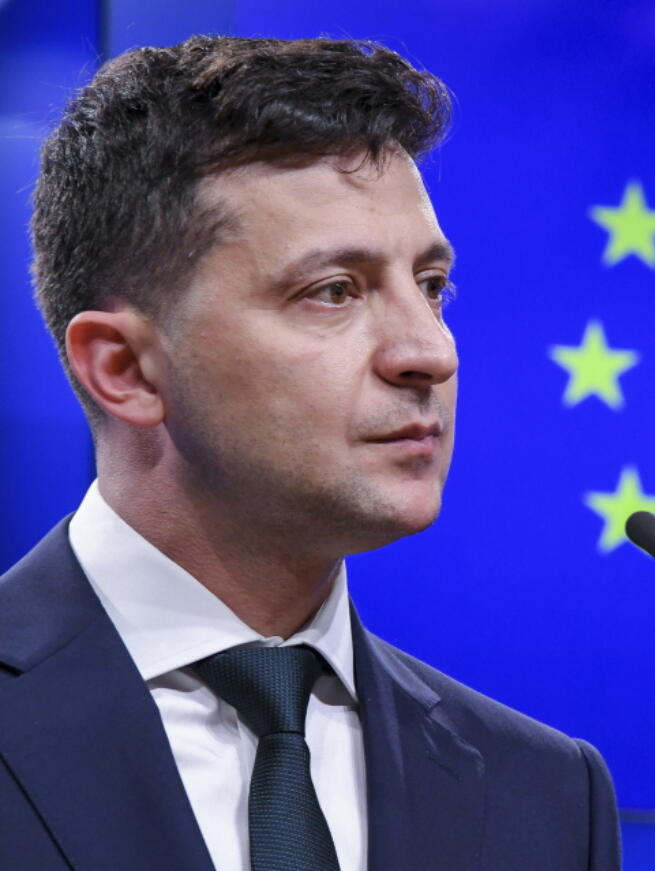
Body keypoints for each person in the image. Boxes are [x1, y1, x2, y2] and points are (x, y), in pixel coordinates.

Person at [0, 35, 620, 871]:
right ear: (126, 368)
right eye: (333, 291)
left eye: (432, 287)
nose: (429, 352)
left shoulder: (543, 794)